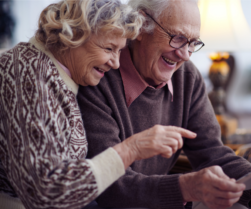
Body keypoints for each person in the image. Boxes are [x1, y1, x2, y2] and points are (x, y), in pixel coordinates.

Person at [77, 0, 251, 209]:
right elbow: (108, 185)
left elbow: (211, 152)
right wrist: (184, 187)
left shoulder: (186, 76)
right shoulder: (99, 74)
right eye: (177, 38)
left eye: (193, 43)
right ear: (141, 25)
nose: (184, 55)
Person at [0, 0, 197, 209]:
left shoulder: (63, 75)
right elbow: (45, 192)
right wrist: (131, 149)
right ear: (73, 36)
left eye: (119, 50)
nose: (115, 63)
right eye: (109, 48)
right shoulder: (29, 73)